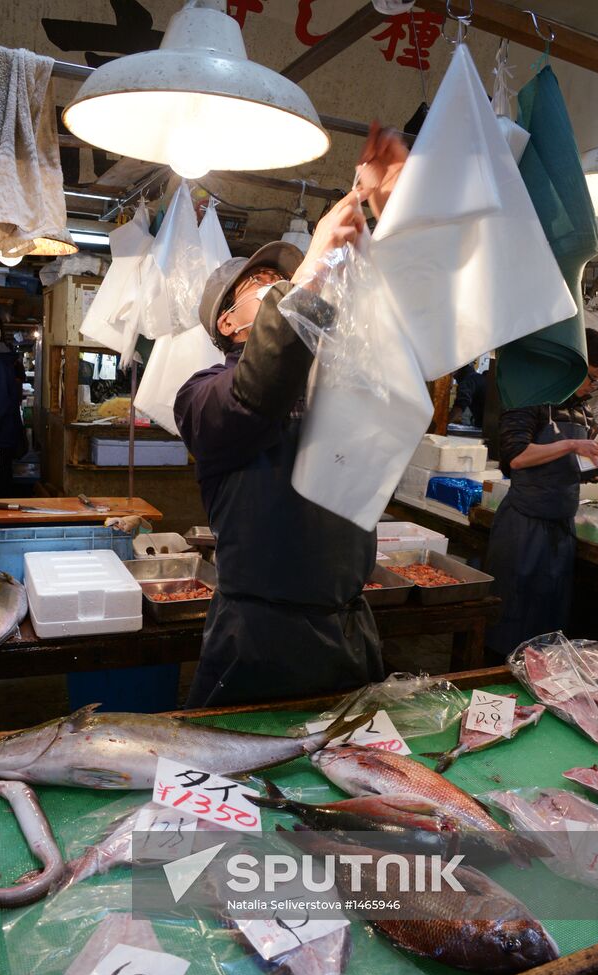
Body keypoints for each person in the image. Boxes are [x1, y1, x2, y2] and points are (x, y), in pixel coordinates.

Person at [175, 124, 408, 707]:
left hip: (350, 632)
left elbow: (405, 349)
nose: (279, 285)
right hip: (257, 640)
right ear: (227, 323)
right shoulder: (202, 395)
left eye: (283, 279)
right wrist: (310, 276)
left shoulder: (340, 380)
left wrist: (390, 220)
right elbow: (258, 389)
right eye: (261, 283)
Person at [484, 329, 598, 658]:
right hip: (524, 525)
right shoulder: (530, 399)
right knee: (512, 610)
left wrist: (597, 470)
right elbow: (516, 457)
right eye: (592, 376)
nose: (594, 386)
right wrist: (572, 444)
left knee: (549, 616)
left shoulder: (583, 413)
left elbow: (569, 467)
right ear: (570, 366)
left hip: (561, 528)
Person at [0, 311, 27, 498]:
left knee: (2, 482)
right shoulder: (7, 359)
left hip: (1, 433)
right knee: (4, 478)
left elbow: (1, 403)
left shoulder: (1, 363)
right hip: (6, 432)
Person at [449, 363, 486, 427]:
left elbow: (459, 407)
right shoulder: (477, 377)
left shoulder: (467, 381)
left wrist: (442, 423)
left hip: (485, 426)